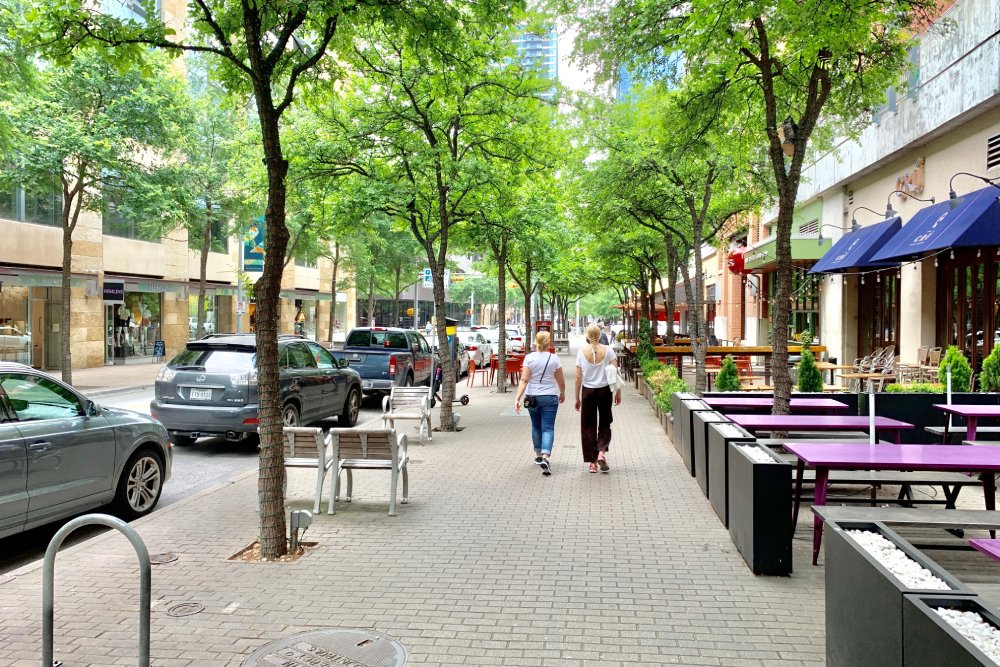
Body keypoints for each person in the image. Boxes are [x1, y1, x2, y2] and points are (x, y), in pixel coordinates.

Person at [514, 330, 566, 476]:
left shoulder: (529, 358)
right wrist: (562, 393)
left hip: (532, 397)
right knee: (548, 428)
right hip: (549, 396)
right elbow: (560, 380)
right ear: (549, 342)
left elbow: (524, 380)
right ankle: (545, 457)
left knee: (536, 426)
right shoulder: (554, 359)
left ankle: (538, 454)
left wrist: (517, 398)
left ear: (536, 342)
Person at [575, 323, 622, 473]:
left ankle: (592, 463)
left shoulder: (581, 352)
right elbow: (615, 372)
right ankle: (601, 452)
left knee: (588, 427)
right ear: (600, 334)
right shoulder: (608, 351)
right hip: (604, 391)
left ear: (587, 336)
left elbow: (578, 378)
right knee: (605, 422)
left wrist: (577, 398)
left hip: (588, 392)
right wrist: (618, 392)